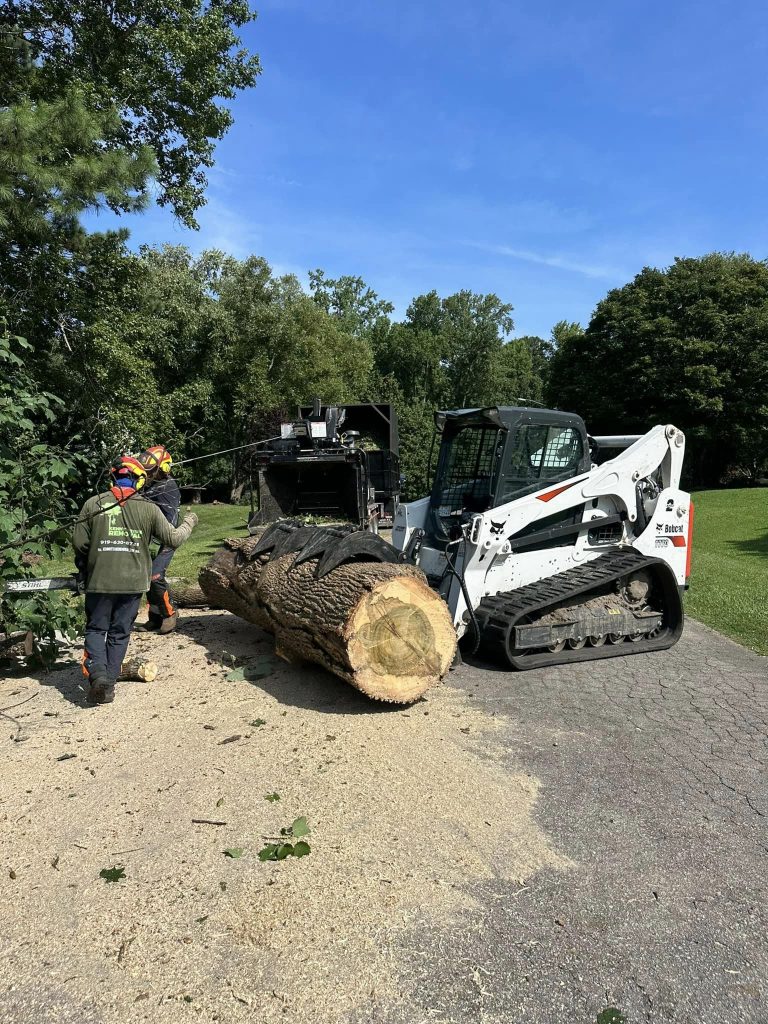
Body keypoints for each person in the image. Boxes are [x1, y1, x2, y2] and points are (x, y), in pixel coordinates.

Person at [72, 455, 198, 705]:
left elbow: (80, 543)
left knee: (97, 629)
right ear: (139, 481)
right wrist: (190, 521)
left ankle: (98, 676)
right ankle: (107, 683)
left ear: (113, 477)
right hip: (133, 583)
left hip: (100, 581)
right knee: (120, 632)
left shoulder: (92, 504)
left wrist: (90, 561)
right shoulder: (149, 508)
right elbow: (173, 539)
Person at [138, 445, 181, 633]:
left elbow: (142, 499)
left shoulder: (166, 486)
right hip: (152, 537)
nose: (146, 475)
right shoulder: (153, 485)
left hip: (168, 536)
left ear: (162, 469)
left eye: (150, 471)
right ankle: (155, 617)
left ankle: (169, 613)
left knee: (155, 575)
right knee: (146, 575)